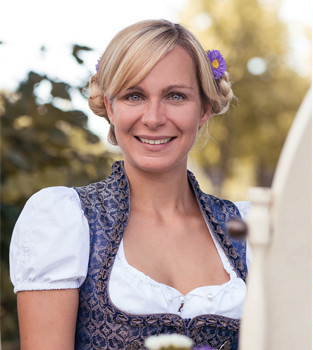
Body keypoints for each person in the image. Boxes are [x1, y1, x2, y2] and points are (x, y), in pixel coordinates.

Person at [10, 19, 247, 349]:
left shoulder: (245, 230)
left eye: (176, 96)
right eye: (134, 96)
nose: (153, 117)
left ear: (204, 109)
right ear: (110, 106)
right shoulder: (63, 221)